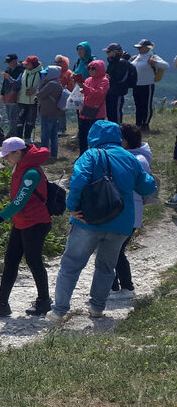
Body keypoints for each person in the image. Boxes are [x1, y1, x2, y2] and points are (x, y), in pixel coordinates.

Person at [47, 120, 157, 322]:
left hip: (88, 220)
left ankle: (59, 311)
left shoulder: (90, 155)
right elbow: (148, 187)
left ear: (93, 136)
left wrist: (72, 208)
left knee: (71, 265)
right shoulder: (131, 158)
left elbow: (78, 180)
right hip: (121, 222)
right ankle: (97, 308)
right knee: (106, 267)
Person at [0, 137, 53, 317]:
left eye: (7, 156)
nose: (5, 159)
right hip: (22, 222)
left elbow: (19, 202)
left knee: (34, 261)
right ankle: (2, 304)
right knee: (10, 261)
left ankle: (44, 302)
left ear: (18, 152)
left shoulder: (31, 173)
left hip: (36, 223)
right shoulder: (20, 167)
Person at [111, 124, 153, 298]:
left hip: (130, 211)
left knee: (116, 250)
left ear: (125, 141)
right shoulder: (138, 157)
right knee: (112, 249)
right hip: (126, 210)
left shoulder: (137, 160)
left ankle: (127, 288)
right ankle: (111, 286)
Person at [130, 39, 169, 132]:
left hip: (147, 85)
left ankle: (145, 124)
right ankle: (138, 124)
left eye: (140, 47)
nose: (138, 49)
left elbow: (166, 65)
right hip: (137, 85)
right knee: (138, 105)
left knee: (146, 105)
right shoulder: (138, 56)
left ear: (147, 48)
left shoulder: (152, 56)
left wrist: (155, 63)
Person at [77, 60, 109, 154]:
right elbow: (84, 92)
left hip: (97, 113)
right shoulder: (88, 80)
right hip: (85, 111)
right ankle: (82, 154)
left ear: (99, 69)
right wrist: (78, 86)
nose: (90, 70)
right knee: (82, 135)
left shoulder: (104, 81)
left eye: (93, 68)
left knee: (95, 136)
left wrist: (84, 87)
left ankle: (94, 155)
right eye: (89, 68)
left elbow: (99, 93)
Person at [35, 65, 65, 161]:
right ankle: (53, 154)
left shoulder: (51, 84)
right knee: (53, 134)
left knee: (45, 134)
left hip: (47, 111)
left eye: (46, 74)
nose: (45, 75)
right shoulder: (57, 83)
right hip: (54, 111)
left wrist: (42, 84)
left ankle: (44, 154)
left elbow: (40, 94)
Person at [103, 43, 136, 124]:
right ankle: (112, 129)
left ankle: (118, 128)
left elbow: (121, 78)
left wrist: (109, 78)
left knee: (116, 112)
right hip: (111, 91)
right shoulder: (113, 62)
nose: (106, 54)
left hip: (118, 92)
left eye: (108, 52)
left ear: (114, 52)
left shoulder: (122, 63)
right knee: (110, 112)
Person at [15, 55, 43, 140]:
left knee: (30, 120)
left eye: (27, 64)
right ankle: (19, 138)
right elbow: (18, 82)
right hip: (22, 100)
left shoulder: (41, 73)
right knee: (19, 121)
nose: (25, 65)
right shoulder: (24, 72)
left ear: (33, 64)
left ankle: (27, 138)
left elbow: (44, 85)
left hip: (33, 102)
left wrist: (35, 90)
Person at [1, 53, 25, 135]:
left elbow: (19, 84)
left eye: (10, 62)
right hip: (8, 95)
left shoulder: (21, 70)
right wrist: (2, 93)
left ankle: (13, 134)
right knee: (9, 116)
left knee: (14, 116)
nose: (8, 64)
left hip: (17, 96)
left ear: (15, 61)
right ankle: (12, 132)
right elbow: (5, 83)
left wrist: (9, 78)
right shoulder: (8, 70)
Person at [55, 54, 73, 135]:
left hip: (64, 95)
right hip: (55, 94)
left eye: (60, 62)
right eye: (56, 62)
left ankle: (62, 129)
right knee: (56, 112)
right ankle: (57, 128)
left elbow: (71, 84)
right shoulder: (56, 72)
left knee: (61, 112)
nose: (58, 64)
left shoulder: (68, 72)